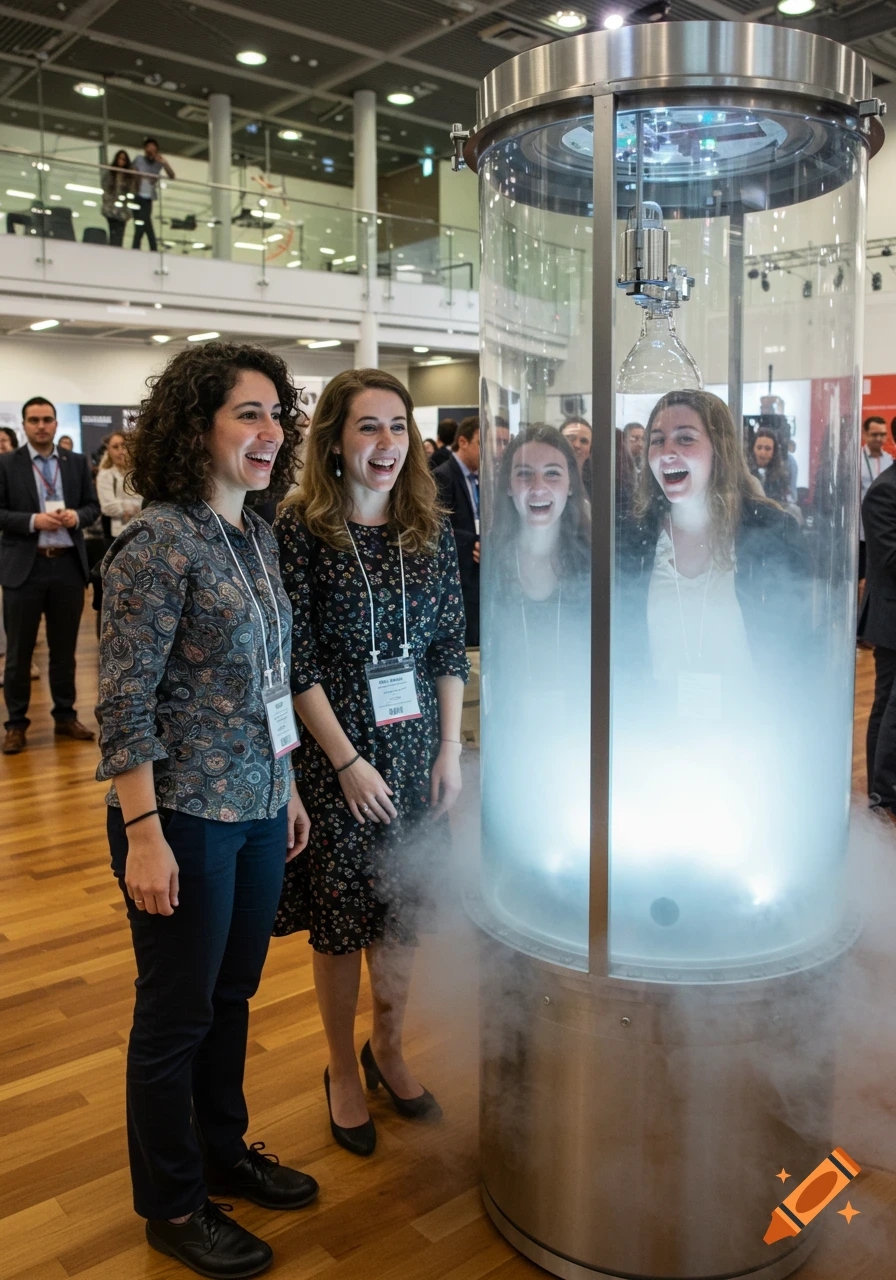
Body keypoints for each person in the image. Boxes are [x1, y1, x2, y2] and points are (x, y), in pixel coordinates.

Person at [96, 343, 317, 1279]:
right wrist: (144, 835)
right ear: (199, 428)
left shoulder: (256, 534)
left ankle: (224, 1149)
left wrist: (292, 784)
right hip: (181, 817)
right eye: (247, 415)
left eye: (276, 416)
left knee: (233, 996)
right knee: (177, 1012)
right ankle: (175, 1205)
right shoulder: (159, 541)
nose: (268, 434)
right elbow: (123, 701)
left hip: (261, 803)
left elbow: (271, 679)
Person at [274, 367, 468, 1159]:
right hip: (335, 758)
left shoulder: (428, 525)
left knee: (405, 912)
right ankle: (339, 1069)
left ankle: (387, 1047)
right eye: (367, 427)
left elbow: (448, 645)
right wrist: (347, 761)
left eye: (397, 427)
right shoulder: (297, 531)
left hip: (419, 749)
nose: (385, 444)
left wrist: (452, 748)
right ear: (334, 439)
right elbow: (297, 661)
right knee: (342, 921)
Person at [619, 390, 808, 701]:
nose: (667, 451)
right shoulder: (632, 536)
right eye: (657, 440)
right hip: (652, 728)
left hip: (750, 724)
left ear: (719, 448)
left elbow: (801, 643)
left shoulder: (773, 530)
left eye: (685, 439)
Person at [0, 397, 99, 755]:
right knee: (18, 654)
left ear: (57, 424)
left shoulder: (75, 463)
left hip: (67, 567)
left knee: (64, 651)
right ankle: (15, 724)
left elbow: (93, 507)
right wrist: (32, 521)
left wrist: (77, 517)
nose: (41, 425)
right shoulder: (7, 464)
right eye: (34, 420)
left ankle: (66, 715)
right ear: (24, 425)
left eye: (47, 419)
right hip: (25, 567)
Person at [434, 415, 480, 647]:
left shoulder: (484, 477)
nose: (494, 451)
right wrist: (473, 542)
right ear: (463, 441)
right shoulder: (443, 475)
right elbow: (438, 527)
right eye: (483, 444)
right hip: (460, 572)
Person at [860, 415, 892, 582]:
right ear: (865, 434)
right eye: (874, 434)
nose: (879, 439)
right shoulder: (856, 460)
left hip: (886, 527)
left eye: (882, 434)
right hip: (862, 531)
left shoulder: (889, 459)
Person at [132, 137, 175, 252]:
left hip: (148, 197)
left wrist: (164, 163)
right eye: (148, 149)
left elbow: (172, 175)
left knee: (142, 225)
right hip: (137, 195)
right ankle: (152, 248)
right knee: (142, 224)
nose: (150, 152)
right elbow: (132, 173)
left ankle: (139, 248)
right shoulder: (139, 159)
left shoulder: (158, 163)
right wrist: (140, 176)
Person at [96, 431, 142, 538]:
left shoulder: (139, 473)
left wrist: (124, 506)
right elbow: (108, 507)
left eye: (124, 446)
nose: (120, 451)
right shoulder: (105, 474)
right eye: (115, 447)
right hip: (116, 535)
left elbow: (145, 503)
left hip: (141, 531)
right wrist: (133, 507)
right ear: (109, 451)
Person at [749, 428, 792, 504]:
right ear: (753, 449)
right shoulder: (745, 474)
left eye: (767, 449)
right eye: (759, 448)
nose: (762, 452)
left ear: (774, 452)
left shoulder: (781, 477)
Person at [102, 149, 135, 247]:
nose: (121, 161)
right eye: (120, 159)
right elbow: (106, 188)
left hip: (123, 210)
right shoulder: (110, 174)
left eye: (124, 160)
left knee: (120, 233)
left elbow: (131, 192)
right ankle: (112, 248)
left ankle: (117, 248)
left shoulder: (128, 176)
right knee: (112, 231)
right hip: (111, 208)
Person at [561, 416, 593, 498]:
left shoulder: (596, 485)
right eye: (571, 438)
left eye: (583, 441)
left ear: (590, 450)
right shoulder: (546, 478)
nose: (577, 445)